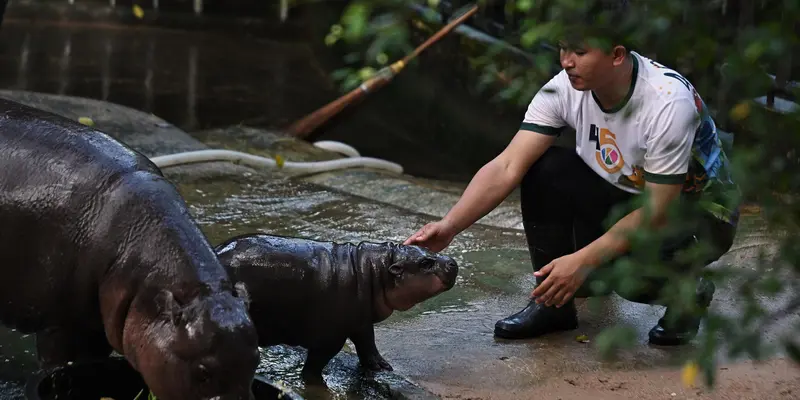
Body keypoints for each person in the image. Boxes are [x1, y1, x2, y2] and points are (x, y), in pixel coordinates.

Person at [403, 3, 740, 346]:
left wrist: (582, 260)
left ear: (616, 55)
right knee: (546, 169)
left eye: (579, 51)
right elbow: (507, 165)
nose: (566, 61)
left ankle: (688, 292)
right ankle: (553, 305)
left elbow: (658, 211)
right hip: (627, 192)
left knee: (618, 274)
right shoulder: (563, 88)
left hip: (699, 215)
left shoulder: (667, 102)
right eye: (564, 48)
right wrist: (449, 227)